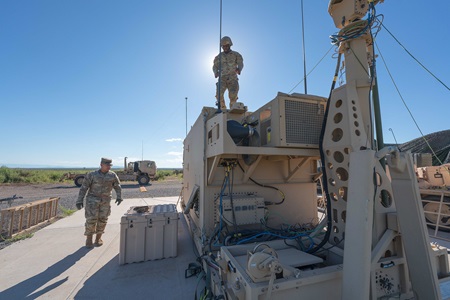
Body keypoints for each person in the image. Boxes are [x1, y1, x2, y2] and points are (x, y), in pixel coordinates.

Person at [76, 157, 123, 248]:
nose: (109, 167)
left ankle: (98, 238)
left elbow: (117, 186)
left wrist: (119, 197)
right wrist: (79, 200)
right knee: (91, 219)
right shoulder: (92, 175)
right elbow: (84, 188)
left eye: (110, 165)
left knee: (103, 219)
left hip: (105, 201)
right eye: (107, 165)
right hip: (92, 201)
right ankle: (89, 239)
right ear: (101, 165)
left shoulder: (112, 175)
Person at [213, 36, 244, 110]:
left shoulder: (236, 54)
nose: (225, 47)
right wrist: (215, 72)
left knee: (233, 95)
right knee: (218, 95)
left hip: (232, 78)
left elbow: (240, 62)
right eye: (223, 46)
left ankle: (232, 110)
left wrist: (239, 69)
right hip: (222, 79)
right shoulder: (218, 57)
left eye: (227, 46)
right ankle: (223, 109)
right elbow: (214, 66)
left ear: (230, 45)